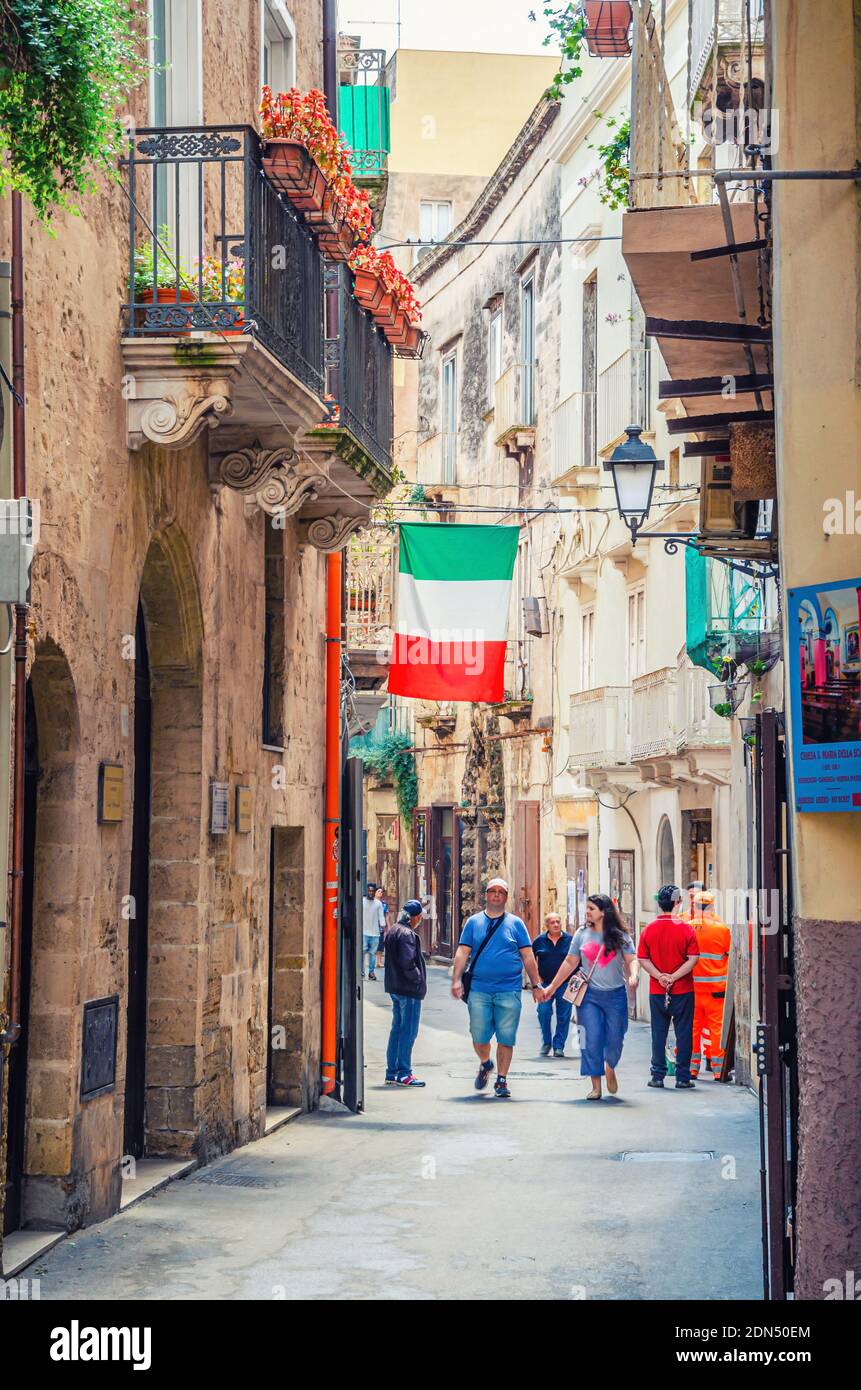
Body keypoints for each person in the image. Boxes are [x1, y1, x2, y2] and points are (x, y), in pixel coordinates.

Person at [538, 895, 637, 1100]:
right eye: (587, 908)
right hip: (588, 996)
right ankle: (595, 1086)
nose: (587, 912)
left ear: (603, 912)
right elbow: (569, 962)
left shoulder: (619, 935)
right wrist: (551, 987)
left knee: (615, 1039)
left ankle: (610, 1065)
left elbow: (631, 958)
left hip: (616, 994)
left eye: (591, 908)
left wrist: (634, 975)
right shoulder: (581, 934)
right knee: (590, 1038)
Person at [451, 877, 541, 1099]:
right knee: (479, 1034)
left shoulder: (516, 924)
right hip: (480, 989)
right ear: (486, 895)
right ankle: (485, 1062)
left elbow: (528, 956)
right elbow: (463, 952)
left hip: (509, 989)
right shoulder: (473, 922)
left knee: (506, 1037)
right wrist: (456, 979)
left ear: (506, 897)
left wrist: (537, 984)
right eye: (493, 891)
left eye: (501, 892)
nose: (497, 895)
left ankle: (502, 1080)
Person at [637, 884, 700, 1090]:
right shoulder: (686, 929)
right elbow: (693, 958)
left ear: (659, 903)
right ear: (677, 903)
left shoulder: (649, 930)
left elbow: (643, 958)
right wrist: (674, 977)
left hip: (657, 990)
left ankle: (657, 1075)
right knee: (683, 1033)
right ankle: (682, 1077)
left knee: (659, 1033)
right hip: (682, 990)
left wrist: (660, 976)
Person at [384, 899, 428, 1087]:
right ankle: (404, 1072)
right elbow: (408, 962)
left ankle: (392, 1072)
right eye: (419, 918)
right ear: (415, 917)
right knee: (408, 1031)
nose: (419, 921)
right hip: (408, 989)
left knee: (397, 1029)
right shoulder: (407, 934)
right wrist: (418, 980)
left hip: (395, 988)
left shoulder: (393, 930)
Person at [689, 889, 732, 1080]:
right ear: (713, 906)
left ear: (694, 906)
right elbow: (728, 954)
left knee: (692, 1030)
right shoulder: (722, 929)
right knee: (717, 1030)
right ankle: (718, 1070)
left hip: (692, 990)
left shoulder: (687, 927)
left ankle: (691, 1069)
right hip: (716, 990)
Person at [531, 911, 574, 1057]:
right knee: (543, 1011)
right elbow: (529, 961)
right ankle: (547, 1042)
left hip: (565, 984)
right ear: (546, 925)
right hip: (545, 984)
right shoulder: (539, 941)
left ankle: (558, 1046)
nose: (556, 924)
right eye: (552, 922)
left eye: (558, 921)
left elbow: (577, 961)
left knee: (564, 1015)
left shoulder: (570, 940)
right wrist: (536, 981)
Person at [362, 882, 385, 981]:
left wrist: (383, 925)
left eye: (372, 891)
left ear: (374, 892)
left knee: (372, 954)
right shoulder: (362, 901)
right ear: (367, 891)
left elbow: (381, 916)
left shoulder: (378, 903)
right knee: (362, 952)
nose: (370, 892)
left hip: (375, 932)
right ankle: (361, 970)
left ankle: (371, 972)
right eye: (369, 890)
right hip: (363, 932)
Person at [375, 886, 389, 971]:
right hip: (372, 925)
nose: (380, 893)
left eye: (381, 892)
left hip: (381, 926)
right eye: (378, 891)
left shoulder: (384, 904)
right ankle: (373, 962)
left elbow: (386, 916)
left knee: (380, 944)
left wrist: (388, 926)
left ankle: (379, 961)